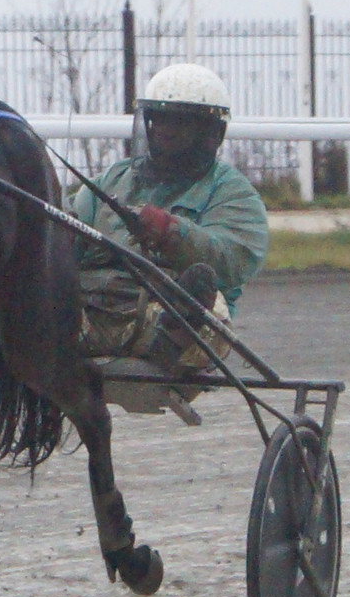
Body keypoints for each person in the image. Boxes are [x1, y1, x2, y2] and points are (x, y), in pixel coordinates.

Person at [66, 63, 269, 369]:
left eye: (179, 122)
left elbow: (232, 261)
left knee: (208, 304)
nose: (165, 131)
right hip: (86, 310)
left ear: (210, 132)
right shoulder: (113, 177)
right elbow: (66, 223)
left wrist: (171, 232)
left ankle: (170, 341)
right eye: (158, 120)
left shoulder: (232, 192)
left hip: (165, 313)